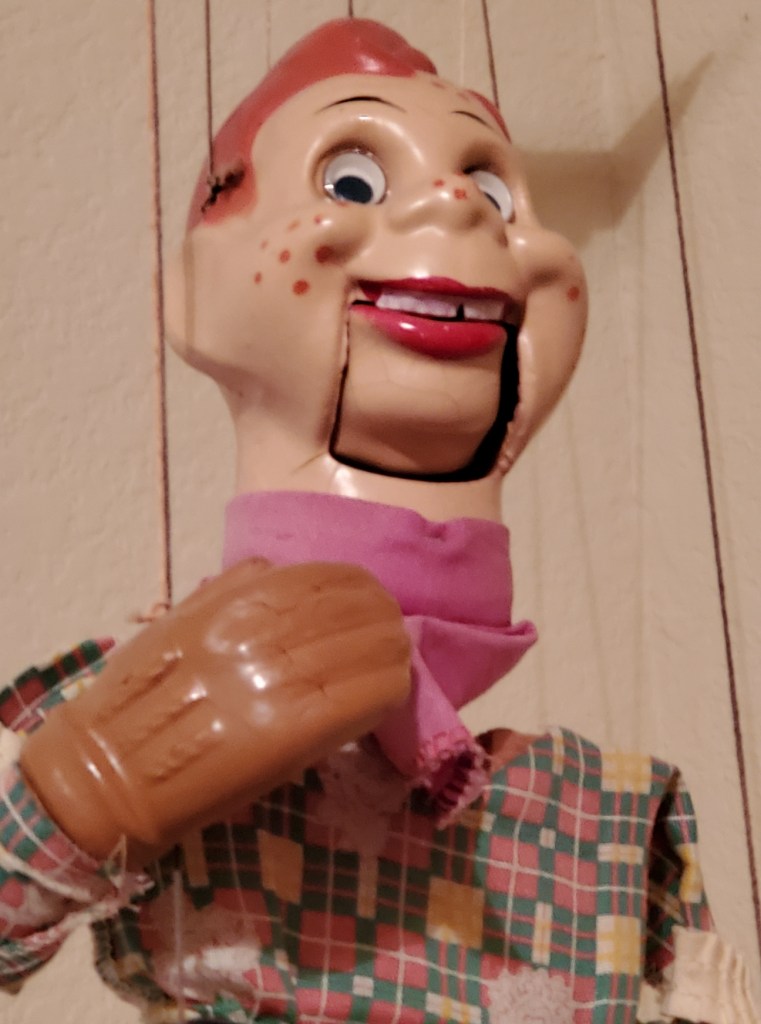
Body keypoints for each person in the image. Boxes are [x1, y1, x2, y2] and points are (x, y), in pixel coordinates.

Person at [0, 18, 755, 1024]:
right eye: (352, 179)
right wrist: (76, 801)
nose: (456, 204)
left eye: (493, 190)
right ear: (194, 292)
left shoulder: (601, 820)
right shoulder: (144, 705)